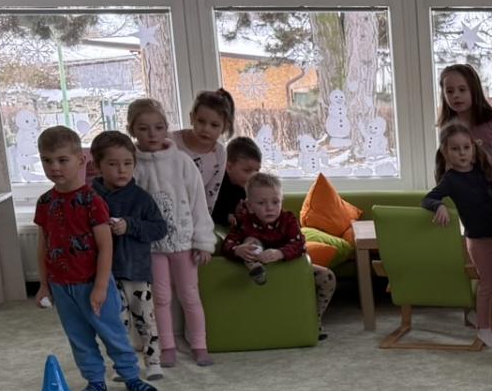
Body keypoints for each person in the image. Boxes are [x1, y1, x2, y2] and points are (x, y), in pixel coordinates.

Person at [33, 126, 156, 391]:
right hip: (61, 286)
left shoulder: (92, 201)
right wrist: (43, 284)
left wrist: (100, 286)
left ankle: (131, 375)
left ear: (80, 160)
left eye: (62, 160)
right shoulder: (45, 202)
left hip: (92, 283)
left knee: (112, 332)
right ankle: (94, 380)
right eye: (47, 160)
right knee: (78, 336)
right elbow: (43, 245)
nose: (54, 167)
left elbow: (105, 245)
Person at [128, 96, 216, 369]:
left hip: (184, 244)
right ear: (132, 131)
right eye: (143, 129)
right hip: (152, 247)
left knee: (190, 295)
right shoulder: (133, 165)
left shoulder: (182, 162)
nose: (152, 134)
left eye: (158, 127)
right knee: (160, 298)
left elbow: (198, 203)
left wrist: (203, 241)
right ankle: (167, 346)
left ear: (166, 128)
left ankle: (199, 344)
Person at [219, 172, 336, 339]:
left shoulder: (288, 220)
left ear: (282, 201)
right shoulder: (244, 222)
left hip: (289, 267)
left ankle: (314, 320)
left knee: (328, 277)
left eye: (275, 202)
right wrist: (237, 250)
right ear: (250, 205)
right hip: (258, 268)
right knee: (251, 241)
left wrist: (280, 253)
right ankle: (255, 268)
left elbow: (299, 244)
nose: (269, 208)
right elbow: (227, 244)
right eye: (261, 203)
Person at [91, 130, 169, 379]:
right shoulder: (90, 198)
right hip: (106, 275)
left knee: (145, 319)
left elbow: (159, 229)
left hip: (137, 272)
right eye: (113, 164)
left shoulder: (141, 198)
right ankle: (124, 365)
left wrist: (130, 226)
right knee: (116, 323)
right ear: (98, 166)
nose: (121, 170)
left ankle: (153, 361)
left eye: (127, 163)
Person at [424, 121, 492, 348]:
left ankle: (479, 316)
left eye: (466, 147)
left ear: (473, 148)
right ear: (446, 152)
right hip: (479, 241)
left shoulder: (482, 170)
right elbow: (428, 198)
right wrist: (439, 206)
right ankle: (483, 329)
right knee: (487, 285)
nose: (462, 153)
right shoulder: (450, 180)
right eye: (455, 149)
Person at [437, 63, 492, 229]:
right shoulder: (448, 128)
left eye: (462, 89)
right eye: (450, 91)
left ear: (474, 90)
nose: (456, 95)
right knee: (482, 241)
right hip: (474, 201)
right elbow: (446, 164)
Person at [174, 87, 234, 211]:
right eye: (201, 121)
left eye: (214, 125)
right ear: (192, 118)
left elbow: (211, 194)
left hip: (194, 212)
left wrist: (205, 219)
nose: (206, 129)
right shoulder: (171, 141)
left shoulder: (219, 153)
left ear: (225, 127)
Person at [213, 136, 262, 228]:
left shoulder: (247, 186)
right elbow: (210, 210)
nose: (253, 176)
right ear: (229, 167)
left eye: (257, 170)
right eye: (247, 170)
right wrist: (226, 216)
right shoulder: (216, 184)